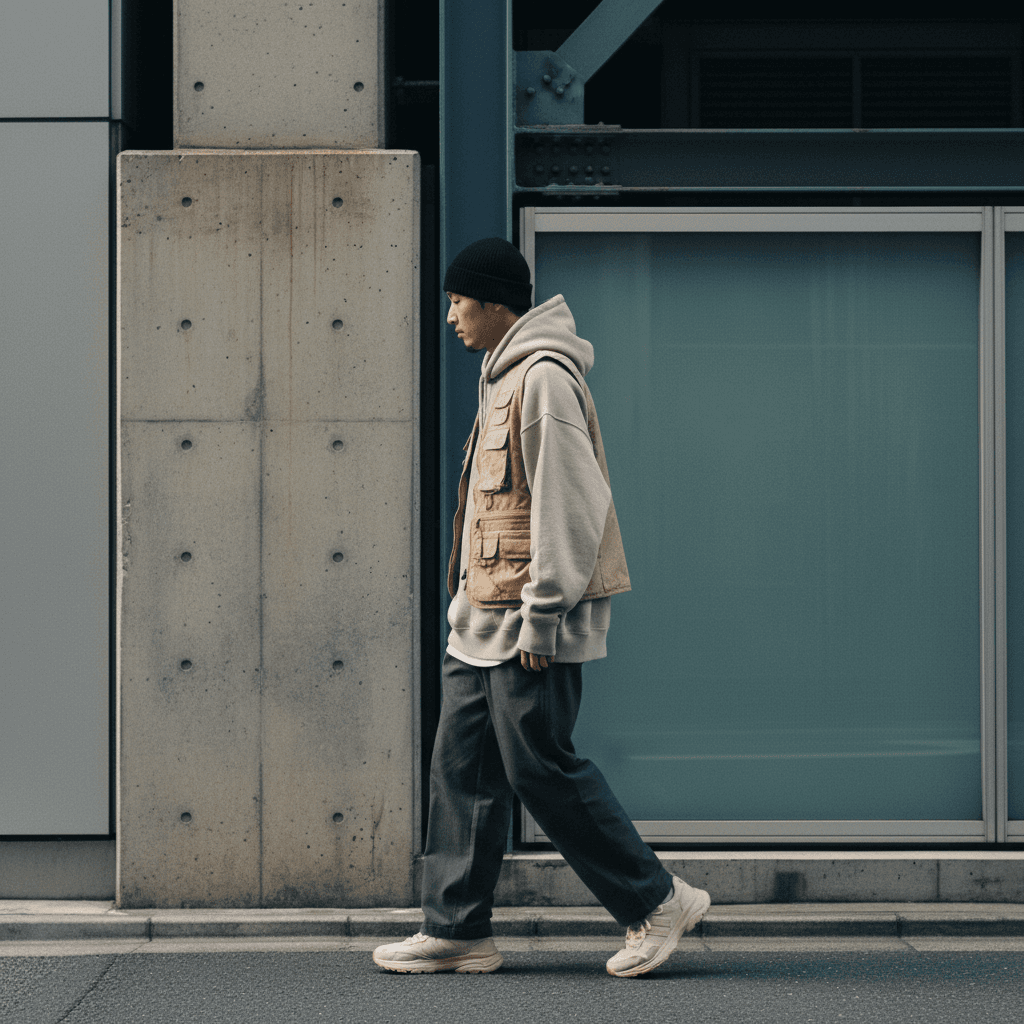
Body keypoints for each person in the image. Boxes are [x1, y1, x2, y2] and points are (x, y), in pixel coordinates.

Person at [372, 237, 710, 978]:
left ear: (496, 304)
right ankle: (457, 927)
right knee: (460, 770)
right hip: (479, 623)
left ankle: (657, 901)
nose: (453, 318)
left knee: (541, 770)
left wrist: (546, 613)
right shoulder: (501, 377)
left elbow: (573, 506)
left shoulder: (544, 380)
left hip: (528, 623)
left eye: (460, 303)